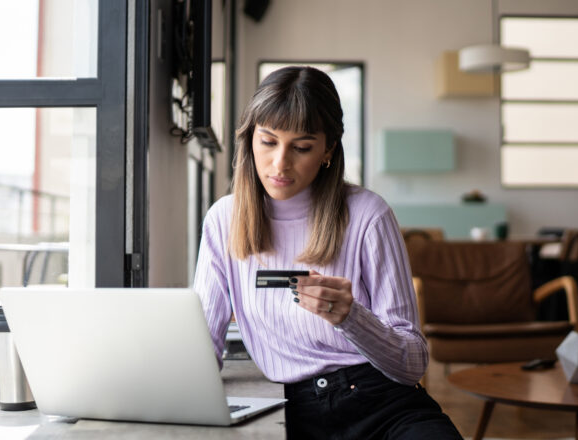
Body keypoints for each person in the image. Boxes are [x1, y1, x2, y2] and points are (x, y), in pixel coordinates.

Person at [193, 66, 462, 439]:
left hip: (382, 403)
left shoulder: (369, 214)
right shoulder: (223, 220)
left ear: (327, 150)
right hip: (292, 411)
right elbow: (203, 346)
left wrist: (351, 317)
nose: (280, 164)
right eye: (268, 141)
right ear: (249, 139)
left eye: (301, 147)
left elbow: (412, 363)